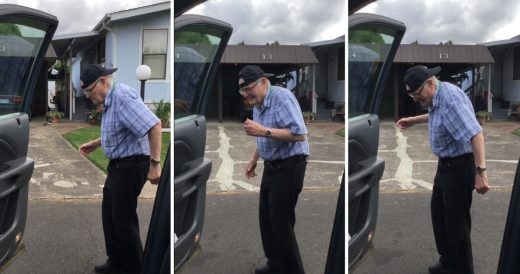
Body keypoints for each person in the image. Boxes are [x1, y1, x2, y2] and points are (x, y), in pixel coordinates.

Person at [395, 65, 490, 274]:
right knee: (439, 215)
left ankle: (462, 269)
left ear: (430, 83)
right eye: (412, 96)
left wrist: (481, 173)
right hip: (446, 166)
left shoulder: (451, 98)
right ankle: (448, 261)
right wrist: (413, 120)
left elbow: (476, 134)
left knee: (457, 223)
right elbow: (437, 114)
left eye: (417, 95)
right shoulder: (435, 96)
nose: (416, 100)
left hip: (460, 166)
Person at [78, 64, 162, 274]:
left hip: (132, 164)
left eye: (89, 91)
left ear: (103, 81)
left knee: (123, 220)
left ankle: (135, 268)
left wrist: (155, 164)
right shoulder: (110, 100)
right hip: (119, 166)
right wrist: (97, 143)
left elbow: (155, 125)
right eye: (86, 92)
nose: (88, 96)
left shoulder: (122, 97)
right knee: (110, 214)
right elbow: (119, 130)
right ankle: (116, 261)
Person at [240, 65, 309, 274]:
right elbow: (264, 137)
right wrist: (254, 158)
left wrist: (263, 130)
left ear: (263, 82)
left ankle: (293, 271)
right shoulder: (258, 102)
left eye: (249, 89)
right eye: (242, 92)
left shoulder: (282, 98)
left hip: (290, 165)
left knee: (281, 224)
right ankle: (275, 265)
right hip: (271, 166)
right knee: (266, 220)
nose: (246, 95)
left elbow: (299, 134)